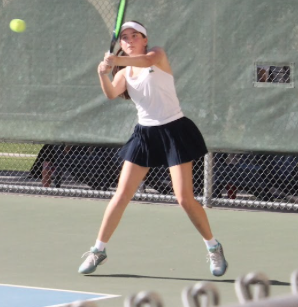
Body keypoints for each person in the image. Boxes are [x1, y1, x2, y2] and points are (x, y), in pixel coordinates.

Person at [79, 21, 228, 277]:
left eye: (134, 36)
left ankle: (213, 248)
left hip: (174, 131)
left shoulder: (156, 55)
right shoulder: (124, 72)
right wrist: (103, 73)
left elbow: (146, 62)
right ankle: (98, 250)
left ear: (144, 39)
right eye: (124, 37)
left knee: (184, 199)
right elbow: (112, 94)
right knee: (121, 195)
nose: (129, 40)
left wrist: (115, 59)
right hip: (144, 135)